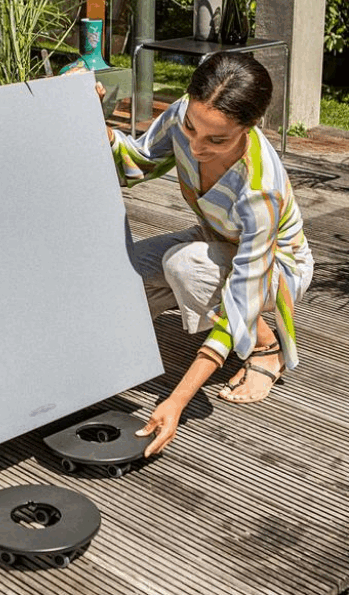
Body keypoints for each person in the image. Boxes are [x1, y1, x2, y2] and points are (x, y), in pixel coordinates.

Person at [98, 52, 314, 459]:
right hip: (213, 239)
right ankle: (208, 307)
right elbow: (137, 163)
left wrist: (176, 401)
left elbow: (243, 294)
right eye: (192, 129)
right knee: (120, 280)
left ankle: (267, 348)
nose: (196, 146)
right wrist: (96, 125)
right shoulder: (183, 113)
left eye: (217, 140)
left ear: (249, 129)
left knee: (184, 266)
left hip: (278, 268)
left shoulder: (259, 190)